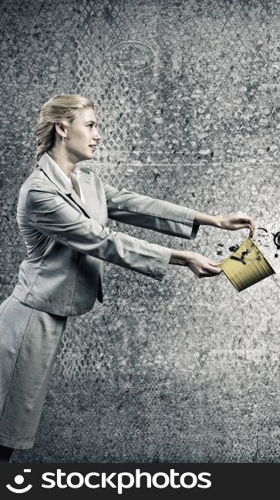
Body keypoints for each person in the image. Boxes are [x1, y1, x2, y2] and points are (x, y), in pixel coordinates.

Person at [0, 94, 256, 462]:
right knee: (8, 433)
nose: (98, 134)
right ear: (61, 128)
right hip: (27, 321)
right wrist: (183, 260)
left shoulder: (85, 182)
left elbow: (137, 206)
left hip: (47, 316)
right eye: (90, 125)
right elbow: (103, 241)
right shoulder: (40, 191)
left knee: (12, 430)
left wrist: (213, 219)